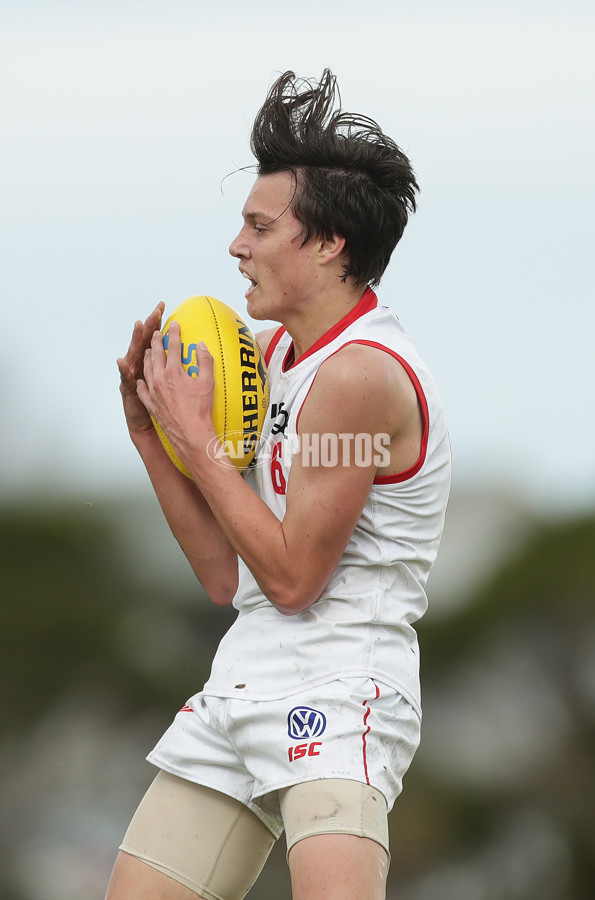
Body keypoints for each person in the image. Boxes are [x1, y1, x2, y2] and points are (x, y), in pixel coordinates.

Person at [106, 69, 451, 900]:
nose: (237, 247)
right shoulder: (266, 360)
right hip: (243, 680)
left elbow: (295, 579)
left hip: (339, 690)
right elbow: (230, 575)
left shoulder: (361, 375)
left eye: (259, 227)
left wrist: (202, 442)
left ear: (329, 242)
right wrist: (156, 438)